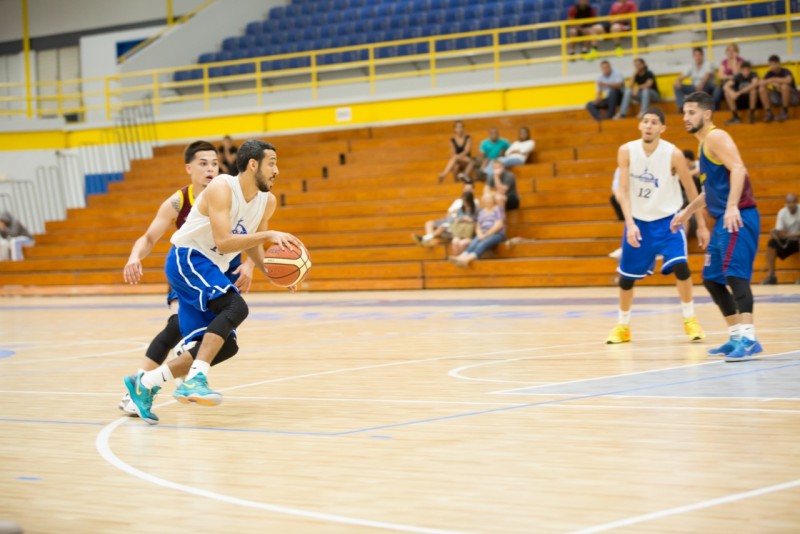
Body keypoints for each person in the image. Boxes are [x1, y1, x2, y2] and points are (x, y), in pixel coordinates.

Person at [123, 139, 304, 424]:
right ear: (253, 165)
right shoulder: (222, 187)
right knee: (236, 308)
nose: (277, 170)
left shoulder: (267, 201)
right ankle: (196, 379)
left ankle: (144, 383)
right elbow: (224, 242)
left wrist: (271, 273)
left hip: (210, 266)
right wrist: (269, 235)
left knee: (227, 345)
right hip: (188, 257)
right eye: (272, 163)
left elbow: (253, 246)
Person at [119, 140, 255, 415]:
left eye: (214, 163)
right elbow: (149, 237)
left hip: (221, 272)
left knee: (226, 343)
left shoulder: (232, 193)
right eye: (203, 164)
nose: (210, 169)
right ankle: (135, 389)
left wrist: (250, 265)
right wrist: (135, 256)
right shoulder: (179, 201)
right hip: (189, 269)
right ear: (189, 168)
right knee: (175, 326)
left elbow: (254, 230)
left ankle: (175, 376)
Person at [671, 91, 762, 362]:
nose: (686, 118)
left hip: (738, 215)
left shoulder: (716, 137)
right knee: (712, 278)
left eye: (692, 112)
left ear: (707, 114)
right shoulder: (703, 146)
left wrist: (732, 205)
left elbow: (739, 169)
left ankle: (749, 339)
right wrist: (687, 212)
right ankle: (735, 336)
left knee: (734, 275)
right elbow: (709, 192)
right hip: (724, 218)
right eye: (684, 113)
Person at [605, 108, 709, 344]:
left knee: (681, 267)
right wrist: (630, 223)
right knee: (626, 279)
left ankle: (690, 319)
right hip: (638, 223)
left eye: (654, 122)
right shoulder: (626, 151)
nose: (649, 125)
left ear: (662, 128)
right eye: (645, 121)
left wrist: (701, 223)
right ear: (639, 126)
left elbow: (691, 188)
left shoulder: (673, 154)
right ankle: (623, 326)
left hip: (668, 222)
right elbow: (623, 191)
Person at [447, 190, 506, 268]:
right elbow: (478, 225)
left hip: (496, 233)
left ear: (493, 200)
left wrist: (486, 235)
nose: (488, 201)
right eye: (486, 199)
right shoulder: (482, 212)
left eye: (489, 199)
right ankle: (461, 256)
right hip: (483, 233)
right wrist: (480, 234)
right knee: (473, 243)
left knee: (483, 243)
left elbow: (499, 225)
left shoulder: (497, 209)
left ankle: (467, 259)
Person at [413, 184, 479, 248]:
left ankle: (425, 239)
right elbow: (452, 215)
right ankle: (427, 240)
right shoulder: (461, 208)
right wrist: (458, 218)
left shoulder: (476, 206)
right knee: (434, 224)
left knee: (443, 228)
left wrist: (468, 219)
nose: (464, 203)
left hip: (464, 230)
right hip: (455, 225)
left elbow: (476, 220)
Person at [761, 193, 799, 285]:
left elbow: (785, 234)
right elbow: (780, 232)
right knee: (772, 242)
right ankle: (771, 276)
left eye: (793, 202)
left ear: (797, 202)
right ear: (786, 203)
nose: (791, 205)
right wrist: (776, 233)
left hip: (798, 241)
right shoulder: (782, 212)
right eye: (788, 203)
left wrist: (788, 234)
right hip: (788, 241)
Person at [757, 54, 799, 123]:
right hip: (778, 98)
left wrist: (774, 79)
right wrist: (772, 82)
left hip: (792, 97)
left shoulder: (785, 71)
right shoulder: (769, 73)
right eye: (770, 65)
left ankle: (785, 112)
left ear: (779, 64)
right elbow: (760, 82)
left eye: (774, 64)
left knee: (784, 86)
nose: (772, 67)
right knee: (762, 88)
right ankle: (769, 113)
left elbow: (788, 80)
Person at [673, 47, 715, 113]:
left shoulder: (707, 64)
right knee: (676, 86)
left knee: (703, 86)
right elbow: (682, 76)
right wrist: (678, 81)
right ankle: (681, 107)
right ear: (693, 56)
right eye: (695, 55)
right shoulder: (692, 66)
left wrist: (701, 84)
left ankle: (702, 109)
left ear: (702, 55)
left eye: (699, 55)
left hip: (706, 86)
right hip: (695, 87)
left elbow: (707, 76)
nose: (697, 57)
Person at [723, 61, 759, 125]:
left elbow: (754, 84)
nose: (746, 72)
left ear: (750, 70)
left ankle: (751, 115)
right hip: (740, 100)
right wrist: (732, 93)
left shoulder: (753, 75)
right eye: (744, 70)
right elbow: (725, 86)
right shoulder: (738, 77)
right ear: (741, 70)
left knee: (753, 90)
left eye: (747, 70)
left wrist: (739, 92)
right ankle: (735, 117)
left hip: (751, 100)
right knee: (727, 93)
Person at [712, 43, 744, 112]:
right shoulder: (724, 62)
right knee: (716, 92)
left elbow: (737, 74)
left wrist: (734, 60)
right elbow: (720, 76)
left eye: (733, 50)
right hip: (724, 83)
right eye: (729, 50)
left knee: (728, 92)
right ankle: (715, 112)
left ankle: (734, 113)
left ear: (736, 52)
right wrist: (730, 77)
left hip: (735, 83)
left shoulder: (740, 61)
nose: (730, 52)